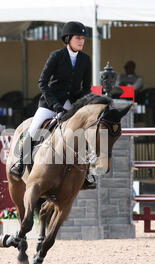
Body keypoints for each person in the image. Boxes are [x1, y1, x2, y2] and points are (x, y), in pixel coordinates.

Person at [10, 21, 95, 189]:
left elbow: (86, 88)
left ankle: (87, 173)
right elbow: (42, 83)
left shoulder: (85, 60)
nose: (82, 41)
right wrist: (55, 104)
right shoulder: (56, 56)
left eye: (83, 38)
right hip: (51, 102)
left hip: (73, 103)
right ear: (68, 39)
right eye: (78, 38)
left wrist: (82, 105)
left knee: (85, 132)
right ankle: (20, 164)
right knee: (34, 129)